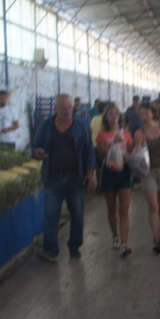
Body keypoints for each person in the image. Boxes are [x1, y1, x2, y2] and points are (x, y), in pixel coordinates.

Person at [32, 94, 97, 262]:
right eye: (63, 108)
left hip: (75, 179)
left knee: (77, 214)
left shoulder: (81, 126)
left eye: (70, 108)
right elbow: (35, 147)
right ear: (55, 109)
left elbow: (89, 150)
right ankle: (50, 250)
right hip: (52, 179)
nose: (68, 111)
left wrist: (91, 173)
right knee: (51, 215)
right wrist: (37, 152)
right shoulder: (46, 126)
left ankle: (74, 244)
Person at [95, 104, 134, 257]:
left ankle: (124, 244)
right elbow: (101, 155)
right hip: (109, 172)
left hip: (124, 171)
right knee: (112, 209)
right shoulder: (102, 134)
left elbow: (131, 151)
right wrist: (112, 143)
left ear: (119, 116)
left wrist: (136, 147)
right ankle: (115, 236)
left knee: (123, 210)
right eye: (110, 114)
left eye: (115, 114)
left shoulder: (126, 133)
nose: (113, 117)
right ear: (106, 118)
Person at [135, 102, 160, 253]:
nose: (143, 116)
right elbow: (137, 152)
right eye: (141, 114)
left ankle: (158, 233)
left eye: (146, 113)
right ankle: (157, 239)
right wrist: (139, 145)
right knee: (153, 206)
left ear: (153, 113)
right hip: (147, 171)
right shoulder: (140, 132)